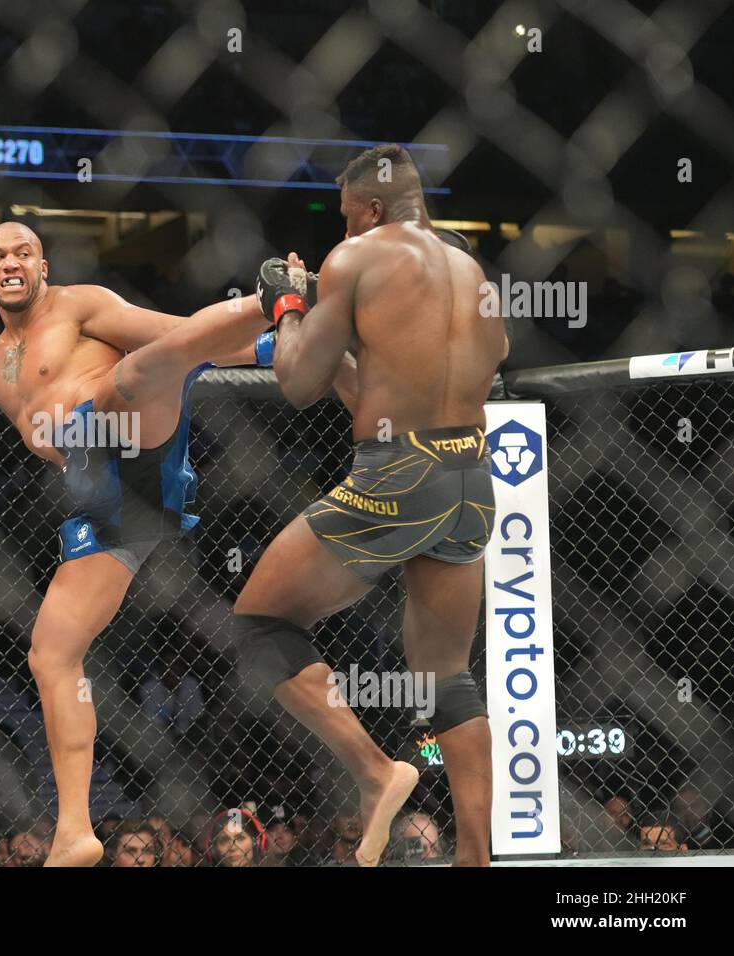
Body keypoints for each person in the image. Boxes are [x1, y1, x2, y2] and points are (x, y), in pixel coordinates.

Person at [0, 222, 270, 866]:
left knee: (143, 368)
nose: (11, 262)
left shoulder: (81, 304)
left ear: (42, 265)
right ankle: (75, 831)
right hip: (99, 500)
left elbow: (176, 335)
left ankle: (275, 299)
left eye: (23, 252)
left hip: (134, 442)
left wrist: (266, 341)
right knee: (51, 655)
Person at [234, 143, 509, 866]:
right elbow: (483, 352)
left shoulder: (354, 260)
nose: (346, 230)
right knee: (448, 676)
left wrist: (288, 304)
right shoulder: (469, 266)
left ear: (375, 208)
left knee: (261, 622)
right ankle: (475, 861)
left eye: (350, 216)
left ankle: (374, 770)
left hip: (399, 473)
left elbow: (297, 382)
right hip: (472, 476)